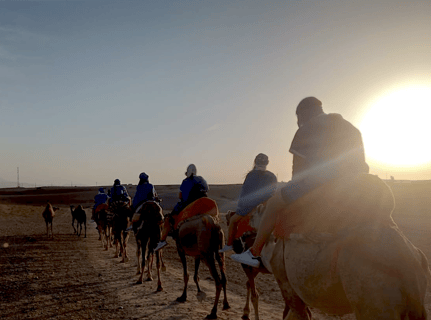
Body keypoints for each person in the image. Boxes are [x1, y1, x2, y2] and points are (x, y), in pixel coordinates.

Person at [230, 97, 370, 267]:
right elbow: (362, 164)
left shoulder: (307, 128)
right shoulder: (351, 128)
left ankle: (254, 252)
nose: (298, 122)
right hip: (357, 185)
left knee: (274, 204)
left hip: (320, 184)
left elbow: (298, 173)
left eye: (298, 117)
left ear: (303, 113)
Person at [219, 153, 277, 253]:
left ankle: (229, 244)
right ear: (267, 163)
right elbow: (273, 192)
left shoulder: (251, 175)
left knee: (233, 220)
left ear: (255, 162)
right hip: (267, 207)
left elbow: (245, 194)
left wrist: (241, 208)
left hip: (250, 208)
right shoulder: (272, 176)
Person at [154, 164, 209, 251]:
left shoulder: (186, 181)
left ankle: (163, 240)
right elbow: (206, 190)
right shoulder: (202, 179)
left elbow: (181, 195)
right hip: (203, 204)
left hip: (188, 204)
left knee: (169, 218)